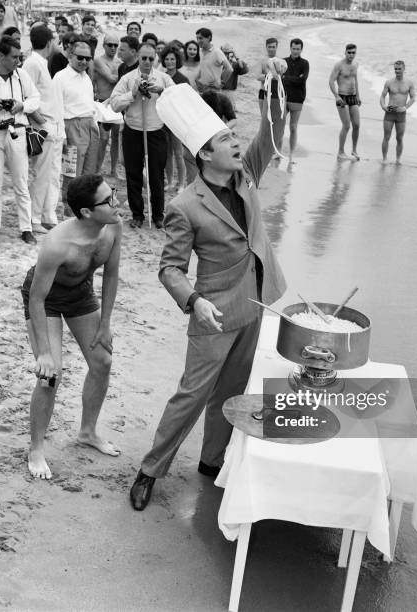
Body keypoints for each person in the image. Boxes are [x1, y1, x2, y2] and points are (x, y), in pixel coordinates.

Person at [129, 86, 287, 511]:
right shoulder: (185, 205)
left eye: (235, 138)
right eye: (225, 141)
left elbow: (272, 134)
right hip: (214, 311)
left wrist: (272, 91)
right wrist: (194, 300)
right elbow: (169, 269)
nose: (237, 144)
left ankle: (212, 460)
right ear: (203, 154)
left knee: (233, 392)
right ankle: (150, 469)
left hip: (256, 302)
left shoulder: (247, 174)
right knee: (192, 394)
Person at [23, 173, 122, 480]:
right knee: (50, 375)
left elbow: (110, 275)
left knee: (103, 360)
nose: (116, 202)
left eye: (114, 193)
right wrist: (44, 353)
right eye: (108, 200)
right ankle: (36, 448)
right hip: (46, 300)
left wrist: (105, 324)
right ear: (86, 212)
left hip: (80, 293)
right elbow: (37, 299)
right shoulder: (57, 244)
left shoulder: (113, 226)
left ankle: (88, 432)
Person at [0, 35, 41, 244]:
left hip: (16, 130)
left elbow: (35, 98)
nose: (18, 61)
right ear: (1, 55)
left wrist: (21, 106)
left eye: (20, 57)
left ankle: (26, 228)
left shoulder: (22, 76)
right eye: (14, 57)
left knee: (21, 182)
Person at [110, 43, 174, 229]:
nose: (147, 62)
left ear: (155, 59)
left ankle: (158, 215)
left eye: (151, 59)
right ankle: (137, 214)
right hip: (133, 131)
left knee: (156, 175)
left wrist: (161, 91)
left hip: (156, 131)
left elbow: (176, 97)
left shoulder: (163, 78)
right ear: (138, 57)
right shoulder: (128, 78)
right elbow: (114, 104)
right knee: (133, 174)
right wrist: (132, 94)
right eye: (144, 58)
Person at [23, 25, 65, 233]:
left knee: (51, 174)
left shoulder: (41, 62)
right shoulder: (32, 63)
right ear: (49, 42)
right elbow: (27, 97)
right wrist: (42, 124)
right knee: (41, 174)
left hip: (49, 125)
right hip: (42, 126)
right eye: (55, 41)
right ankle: (34, 218)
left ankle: (47, 215)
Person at [53, 40, 99, 210]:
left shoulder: (86, 77)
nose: (85, 62)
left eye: (88, 58)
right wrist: (62, 135)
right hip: (71, 125)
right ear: (71, 56)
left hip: (90, 124)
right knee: (72, 172)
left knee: (89, 171)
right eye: (80, 57)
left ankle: (84, 206)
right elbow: (56, 107)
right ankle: (69, 208)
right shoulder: (60, 77)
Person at [160, 46, 189, 193]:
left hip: (177, 120)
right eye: (167, 59)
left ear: (177, 60)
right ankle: (170, 181)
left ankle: (182, 183)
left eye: (172, 59)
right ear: (163, 61)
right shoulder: (160, 77)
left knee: (179, 153)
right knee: (167, 153)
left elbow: (188, 101)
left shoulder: (183, 79)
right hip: (163, 120)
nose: (170, 61)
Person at [93, 32, 121, 177]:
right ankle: (98, 169)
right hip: (102, 103)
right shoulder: (98, 60)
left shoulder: (119, 62)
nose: (113, 47)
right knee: (103, 139)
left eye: (116, 45)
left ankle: (113, 170)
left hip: (115, 103)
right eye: (110, 44)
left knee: (116, 138)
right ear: (104, 45)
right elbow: (111, 79)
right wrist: (120, 75)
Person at [329, 43, 361, 161]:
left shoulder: (356, 64)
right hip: (342, 97)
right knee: (347, 125)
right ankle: (341, 152)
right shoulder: (339, 65)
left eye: (353, 53)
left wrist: (358, 95)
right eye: (349, 52)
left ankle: (354, 150)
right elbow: (331, 81)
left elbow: (355, 80)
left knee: (357, 125)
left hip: (353, 97)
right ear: (345, 52)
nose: (351, 55)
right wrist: (336, 96)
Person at [380, 60, 416, 164]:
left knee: (399, 138)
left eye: (399, 69)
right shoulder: (389, 82)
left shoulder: (409, 83)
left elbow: (413, 98)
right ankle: (384, 159)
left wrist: (405, 107)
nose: (397, 71)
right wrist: (383, 106)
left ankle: (398, 159)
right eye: (395, 69)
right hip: (390, 112)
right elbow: (382, 96)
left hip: (401, 114)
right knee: (386, 136)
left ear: (404, 69)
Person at [282, 38, 309, 165]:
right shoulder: (283, 62)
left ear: (301, 49)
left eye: (298, 49)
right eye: (294, 48)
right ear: (290, 48)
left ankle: (291, 155)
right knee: (279, 126)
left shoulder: (305, 63)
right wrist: (293, 79)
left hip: (298, 99)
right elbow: (280, 79)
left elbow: (302, 81)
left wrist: (286, 77)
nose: (296, 51)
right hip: (284, 97)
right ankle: (277, 152)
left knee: (293, 127)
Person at [195, 27, 231, 93]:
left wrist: (221, 84)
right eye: (197, 38)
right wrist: (197, 79)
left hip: (213, 90)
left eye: (200, 38)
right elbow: (203, 67)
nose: (198, 41)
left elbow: (229, 69)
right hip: (202, 88)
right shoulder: (200, 51)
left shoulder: (217, 52)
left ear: (208, 38)